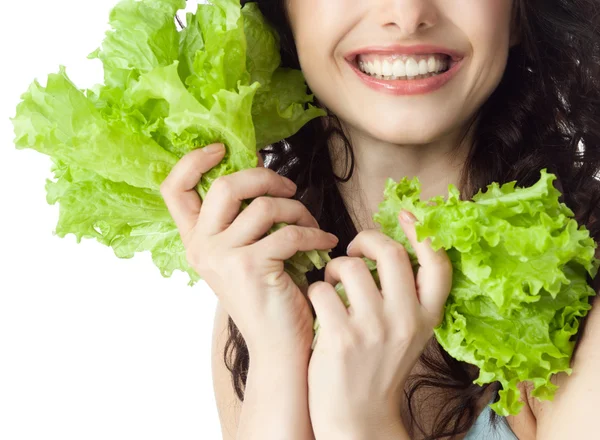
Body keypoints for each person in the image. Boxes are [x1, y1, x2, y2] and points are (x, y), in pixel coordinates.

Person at [159, 0, 600, 439]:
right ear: (279, 15)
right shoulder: (260, 294)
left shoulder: (586, 300)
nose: (407, 15)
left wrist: (360, 421)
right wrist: (277, 360)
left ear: (519, 12)